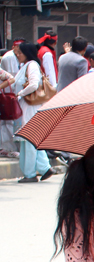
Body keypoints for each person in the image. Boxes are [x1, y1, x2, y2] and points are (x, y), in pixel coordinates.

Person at [13, 43, 53, 183]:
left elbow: (34, 84)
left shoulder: (31, 65)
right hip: (28, 106)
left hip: (30, 107)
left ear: (27, 53)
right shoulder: (28, 65)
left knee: (29, 140)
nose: (17, 55)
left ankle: (31, 173)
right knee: (30, 139)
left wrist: (20, 94)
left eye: (20, 52)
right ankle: (44, 168)